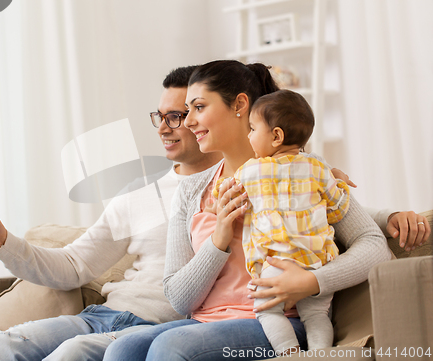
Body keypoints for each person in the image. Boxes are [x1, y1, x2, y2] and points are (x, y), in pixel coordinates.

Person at [103, 60, 431, 361]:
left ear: (240, 106)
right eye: (187, 110)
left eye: (199, 108)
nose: (188, 122)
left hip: (279, 323)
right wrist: (219, 240)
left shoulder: (301, 171)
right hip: (205, 323)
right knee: (123, 349)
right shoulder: (193, 191)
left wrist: (311, 282)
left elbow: (370, 242)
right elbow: (179, 299)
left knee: (171, 347)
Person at [0, 66, 224, 361]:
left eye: (175, 117)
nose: (163, 128)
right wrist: (4, 243)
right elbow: (75, 265)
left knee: (72, 354)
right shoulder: (139, 192)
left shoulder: (236, 184)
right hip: (101, 317)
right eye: (160, 117)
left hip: (163, 328)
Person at [233, 89, 350, 355]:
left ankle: (290, 354)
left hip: (277, 264)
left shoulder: (250, 171)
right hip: (317, 263)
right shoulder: (318, 168)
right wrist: (339, 182)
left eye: (252, 129)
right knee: (318, 315)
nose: (248, 136)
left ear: (276, 136)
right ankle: (321, 354)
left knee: (267, 311)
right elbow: (339, 208)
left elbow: (224, 194)